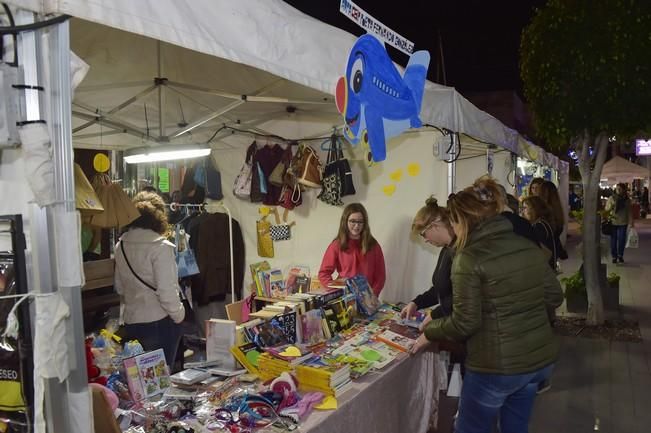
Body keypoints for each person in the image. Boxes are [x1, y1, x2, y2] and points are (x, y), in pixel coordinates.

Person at [410, 190, 563, 433]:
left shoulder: (468, 258)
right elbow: (555, 295)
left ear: (462, 220)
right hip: (537, 363)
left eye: (454, 222)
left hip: (497, 366)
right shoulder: (524, 244)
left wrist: (430, 332)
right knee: (516, 427)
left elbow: (464, 322)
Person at [114, 191, 185, 367]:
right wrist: (179, 316)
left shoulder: (120, 245)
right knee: (160, 380)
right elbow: (166, 292)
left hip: (131, 320)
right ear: (159, 217)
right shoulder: (161, 247)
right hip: (160, 322)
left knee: (139, 381)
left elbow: (120, 287)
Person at [400, 197, 455, 322]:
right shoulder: (446, 250)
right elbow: (440, 289)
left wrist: (434, 315)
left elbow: (461, 298)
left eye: (423, 234)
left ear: (434, 226)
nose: (425, 240)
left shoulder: (461, 252)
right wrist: (416, 303)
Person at [318, 203, 386, 296]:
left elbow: (380, 276)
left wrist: (372, 295)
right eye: (353, 221)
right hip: (345, 298)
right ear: (345, 221)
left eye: (360, 222)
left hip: (367, 299)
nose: (357, 226)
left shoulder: (373, 245)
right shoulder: (337, 245)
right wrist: (336, 292)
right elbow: (324, 274)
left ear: (364, 223)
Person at [522, 196, 560, 271]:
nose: (523, 212)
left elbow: (540, 250)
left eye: (525, 208)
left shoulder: (539, 226)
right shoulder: (543, 223)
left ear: (534, 209)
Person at [605, 183, 634, 264]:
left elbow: (629, 211)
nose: (618, 190)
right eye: (617, 188)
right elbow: (607, 209)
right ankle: (614, 256)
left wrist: (631, 222)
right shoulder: (612, 198)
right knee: (613, 240)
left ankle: (620, 255)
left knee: (622, 239)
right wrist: (612, 206)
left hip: (623, 222)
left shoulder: (627, 200)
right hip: (613, 221)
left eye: (620, 189)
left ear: (624, 190)